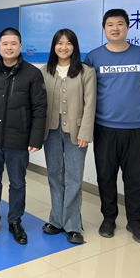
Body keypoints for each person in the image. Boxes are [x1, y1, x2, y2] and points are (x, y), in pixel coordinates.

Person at [84, 9, 140, 244]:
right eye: (110, 24)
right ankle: (109, 218)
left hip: (137, 129)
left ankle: (134, 222)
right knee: (106, 176)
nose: (115, 28)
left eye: (120, 24)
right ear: (104, 28)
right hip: (104, 127)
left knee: (136, 179)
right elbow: (87, 90)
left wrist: (132, 105)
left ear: (127, 27)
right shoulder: (94, 57)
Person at [0, 27, 47, 245]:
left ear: (20, 46)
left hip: (19, 139)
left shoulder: (33, 74)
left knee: (17, 183)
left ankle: (15, 221)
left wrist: (35, 139)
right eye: (5, 43)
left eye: (13, 43)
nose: (9, 47)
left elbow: (39, 108)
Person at [40, 29, 96, 244]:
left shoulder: (86, 72)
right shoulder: (44, 71)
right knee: (54, 175)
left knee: (74, 177)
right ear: (53, 46)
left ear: (75, 46)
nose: (64, 47)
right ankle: (56, 220)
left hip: (76, 132)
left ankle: (72, 225)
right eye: (59, 43)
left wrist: (86, 133)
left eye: (68, 43)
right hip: (51, 131)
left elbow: (90, 104)